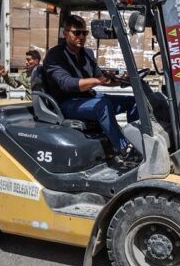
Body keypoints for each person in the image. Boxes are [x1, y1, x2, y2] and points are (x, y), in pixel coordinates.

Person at [43, 15, 140, 162]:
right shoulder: (55, 55)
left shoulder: (87, 53)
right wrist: (98, 80)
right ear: (65, 33)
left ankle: (139, 142)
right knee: (103, 105)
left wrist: (122, 80)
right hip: (66, 103)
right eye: (77, 33)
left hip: (87, 98)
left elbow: (100, 77)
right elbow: (67, 83)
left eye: (84, 33)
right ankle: (123, 148)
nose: (81, 37)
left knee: (134, 102)